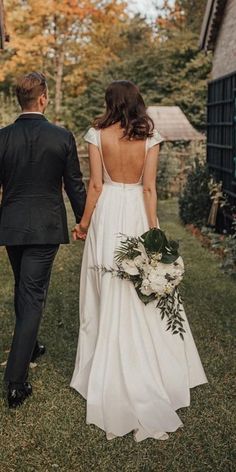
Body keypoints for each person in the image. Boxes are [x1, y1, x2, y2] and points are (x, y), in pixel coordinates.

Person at [70, 80, 208, 442]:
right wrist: (154, 236)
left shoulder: (96, 134)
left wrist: (83, 224)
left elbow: (96, 186)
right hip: (135, 211)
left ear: (109, 102)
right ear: (137, 102)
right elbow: (149, 188)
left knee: (107, 284)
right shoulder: (151, 136)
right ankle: (158, 366)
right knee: (143, 284)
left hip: (108, 212)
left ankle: (105, 358)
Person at [0, 72, 86, 408]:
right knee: (32, 294)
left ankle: (30, 344)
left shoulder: (2, 137)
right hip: (45, 227)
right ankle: (16, 382)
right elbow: (75, 185)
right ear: (44, 98)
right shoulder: (62, 136)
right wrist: (84, 220)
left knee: (25, 286)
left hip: (11, 226)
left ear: (19, 100)